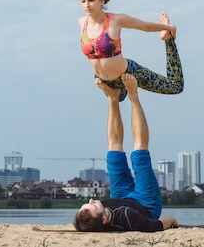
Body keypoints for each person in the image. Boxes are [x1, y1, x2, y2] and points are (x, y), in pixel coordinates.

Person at [73, 74, 179, 232]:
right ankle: (133, 95)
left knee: (113, 151)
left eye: (88, 202)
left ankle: (113, 97)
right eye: (92, 204)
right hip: (145, 203)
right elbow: (162, 224)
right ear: (103, 219)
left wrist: (93, 210)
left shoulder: (93, 219)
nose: (92, 199)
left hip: (119, 195)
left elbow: (85, 225)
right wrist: (173, 221)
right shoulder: (128, 216)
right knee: (140, 153)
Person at [79, 0, 184, 101]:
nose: (87, 5)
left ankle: (168, 40)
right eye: (83, 1)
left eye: (91, 0)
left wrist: (168, 27)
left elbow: (145, 26)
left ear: (101, 0)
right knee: (118, 98)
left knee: (175, 87)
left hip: (128, 72)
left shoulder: (116, 20)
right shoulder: (82, 23)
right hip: (104, 80)